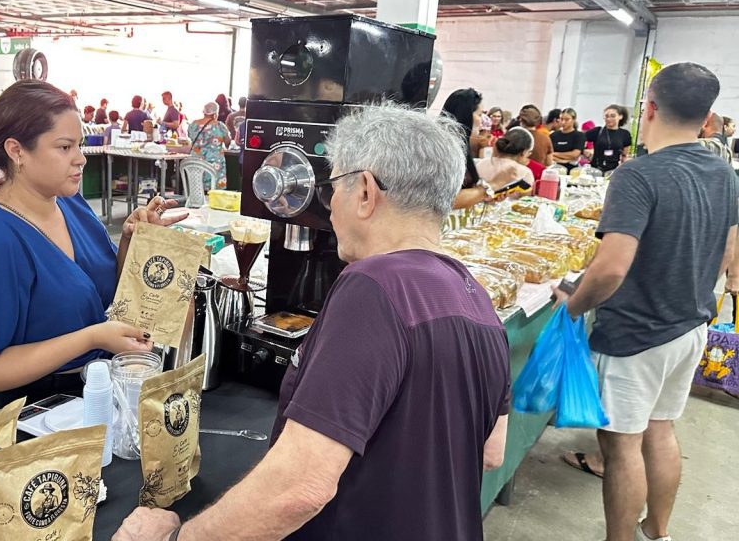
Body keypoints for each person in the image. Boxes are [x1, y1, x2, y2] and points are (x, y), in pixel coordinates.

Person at [113, 103, 510, 541]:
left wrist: (175, 538)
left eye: (333, 188)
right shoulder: (478, 299)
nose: (329, 207)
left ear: (365, 192)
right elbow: (491, 452)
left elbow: (298, 490)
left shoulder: (373, 287)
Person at [0, 80, 187, 422]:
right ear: (17, 151)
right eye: (64, 147)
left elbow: (106, 294)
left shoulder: (71, 205)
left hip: (92, 397)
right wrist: (91, 338)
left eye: (79, 145)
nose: (80, 159)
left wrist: (133, 245)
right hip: (22, 415)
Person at [554, 63, 736, 541]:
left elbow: (612, 267)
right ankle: (657, 532)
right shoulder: (724, 173)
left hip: (635, 334)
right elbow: (728, 251)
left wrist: (571, 307)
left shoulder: (637, 175)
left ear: (649, 109)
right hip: (690, 325)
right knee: (660, 430)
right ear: (708, 119)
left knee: (621, 446)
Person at [442, 88, 489, 209]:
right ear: (466, 114)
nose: (482, 120)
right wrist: (485, 191)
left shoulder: (461, 144)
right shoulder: (445, 148)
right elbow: (443, 200)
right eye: (479, 114)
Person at [475, 127, 536, 193]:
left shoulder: (481, 164)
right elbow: (526, 198)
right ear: (524, 152)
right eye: (529, 152)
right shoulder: (525, 173)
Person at [186, 102, 231, 190]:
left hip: (196, 162)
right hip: (214, 163)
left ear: (204, 112)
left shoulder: (193, 125)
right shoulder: (220, 126)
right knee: (215, 190)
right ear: (215, 114)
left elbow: (191, 137)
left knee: (197, 188)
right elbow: (227, 143)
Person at [586, 105, 633, 172]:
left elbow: (625, 155)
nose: (609, 119)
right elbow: (580, 139)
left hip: (614, 170)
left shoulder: (625, 134)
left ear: (620, 116)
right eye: (606, 116)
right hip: (595, 168)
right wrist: (585, 151)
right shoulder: (597, 131)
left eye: (612, 116)